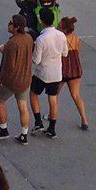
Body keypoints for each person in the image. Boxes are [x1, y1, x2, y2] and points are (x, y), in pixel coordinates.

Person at [0, 14, 33, 143]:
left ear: (16, 27)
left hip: (12, 81)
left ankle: (3, 129)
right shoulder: (29, 38)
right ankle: (24, 134)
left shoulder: (12, 43)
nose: (8, 24)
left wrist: (1, 81)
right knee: (23, 105)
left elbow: (9, 65)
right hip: (25, 79)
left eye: (10, 23)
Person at [29, 7, 66, 138]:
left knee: (33, 94)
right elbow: (65, 53)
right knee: (53, 98)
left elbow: (36, 60)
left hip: (42, 72)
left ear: (42, 20)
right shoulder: (61, 35)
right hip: (56, 72)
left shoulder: (41, 39)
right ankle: (52, 128)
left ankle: (38, 121)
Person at [59, 15, 89, 129]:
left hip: (63, 69)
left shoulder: (60, 39)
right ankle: (84, 120)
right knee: (76, 95)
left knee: (55, 94)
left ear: (64, 29)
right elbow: (78, 52)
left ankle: (52, 115)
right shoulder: (76, 38)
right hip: (75, 69)